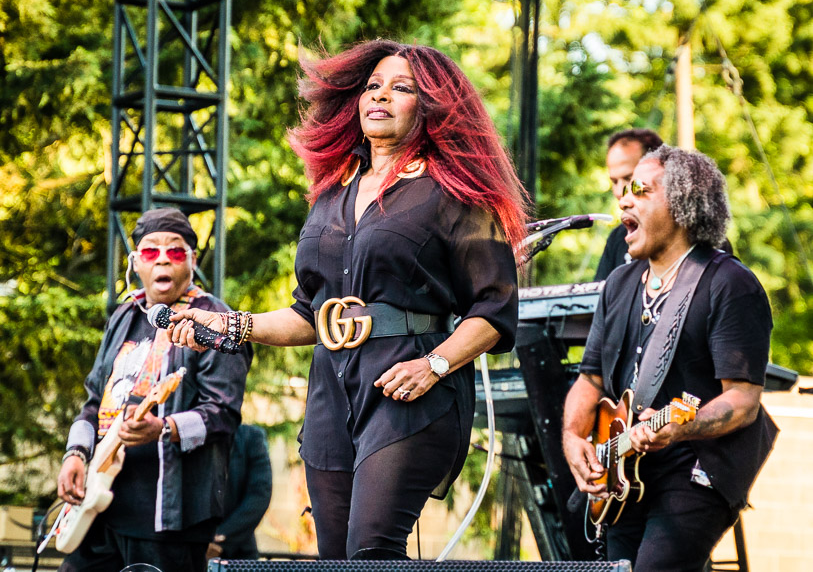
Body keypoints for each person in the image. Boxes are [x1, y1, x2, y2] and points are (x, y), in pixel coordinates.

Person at [167, 39, 528, 560]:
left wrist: (434, 364)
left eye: (400, 88)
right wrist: (227, 325)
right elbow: (306, 316)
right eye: (372, 86)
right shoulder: (331, 194)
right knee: (334, 557)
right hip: (330, 398)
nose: (379, 96)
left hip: (409, 395)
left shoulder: (456, 195)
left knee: (371, 550)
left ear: (428, 106)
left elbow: (494, 311)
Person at [562, 146, 778, 571]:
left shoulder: (730, 284)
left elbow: (742, 401)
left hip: (696, 468)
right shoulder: (619, 283)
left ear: (682, 201)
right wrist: (572, 438)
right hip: (626, 473)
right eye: (622, 191)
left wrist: (680, 429)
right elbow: (590, 380)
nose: (623, 199)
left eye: (640, 190)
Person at [56, 208, 252, 572]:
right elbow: (93, 400)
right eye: (150, 251)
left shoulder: (214, 320)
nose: (163, 259)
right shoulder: (124, 315)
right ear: (135, 263)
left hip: (168, 518)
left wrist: (162, 428)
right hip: (100, 507)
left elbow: (222, 414)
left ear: (192, 261)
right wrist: (75, 454)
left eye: (176, 252)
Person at [594, 128, 663, 281]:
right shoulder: (618, 238)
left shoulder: (696, 238)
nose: (619, 192)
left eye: (629, 178)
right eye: (614, 181)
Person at [207, 423, 272, 560]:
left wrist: (221, 537)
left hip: (239, 551)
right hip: (189, 549)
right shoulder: (189, 437)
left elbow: (260, 495)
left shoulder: (251, 437)